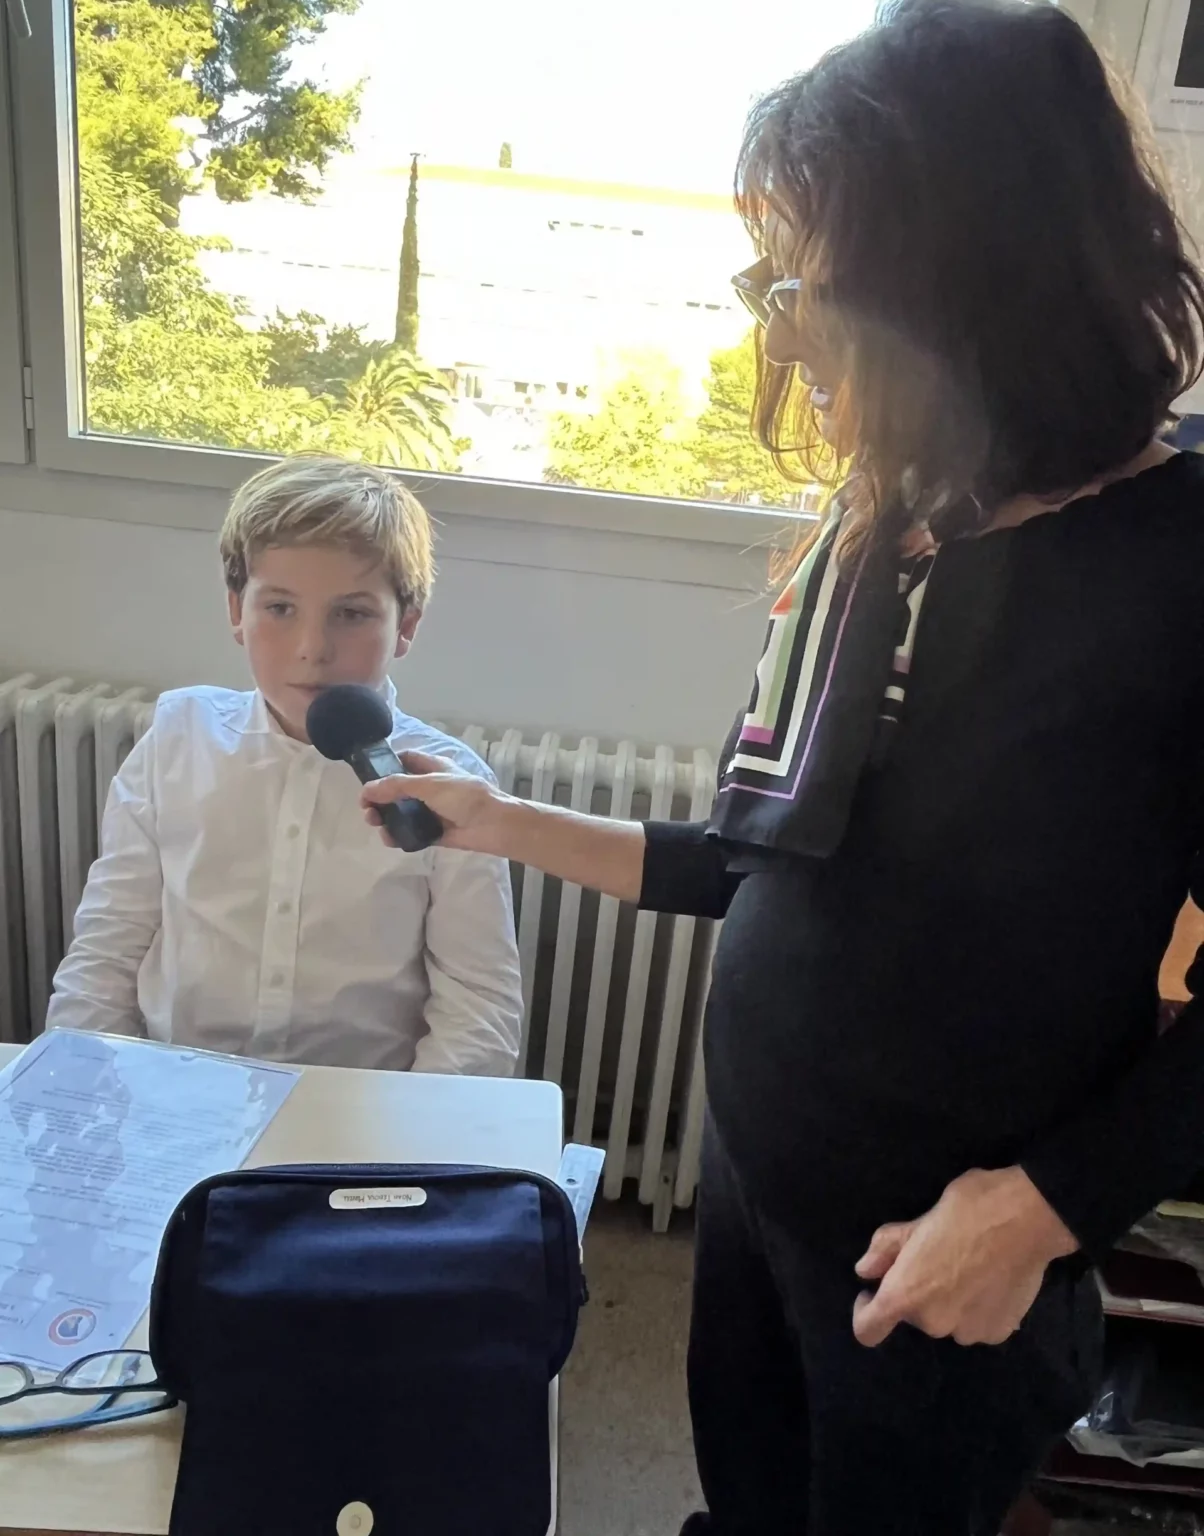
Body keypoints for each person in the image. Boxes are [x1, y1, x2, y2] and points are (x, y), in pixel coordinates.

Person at [363, 2, 1204, 1531]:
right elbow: (768, 860)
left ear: (969, 281)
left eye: (812, 286)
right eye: (774, 283)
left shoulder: (1177, 570)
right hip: (754, 1172)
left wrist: (1042, 1213)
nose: (781, 333)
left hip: (933, 1257)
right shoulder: (901, 525)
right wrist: (499, 822)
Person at [47, 454, 523, 1076]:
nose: (312, 649)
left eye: (351, 614)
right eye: (279, 608)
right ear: (236, 612)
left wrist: (411, 1130)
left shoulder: (451, 784)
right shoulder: (176, 742)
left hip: (363, 1106)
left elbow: (478, 1010)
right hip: (179, 1089)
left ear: (405, 626)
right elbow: (106, 952)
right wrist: (87, 1093)